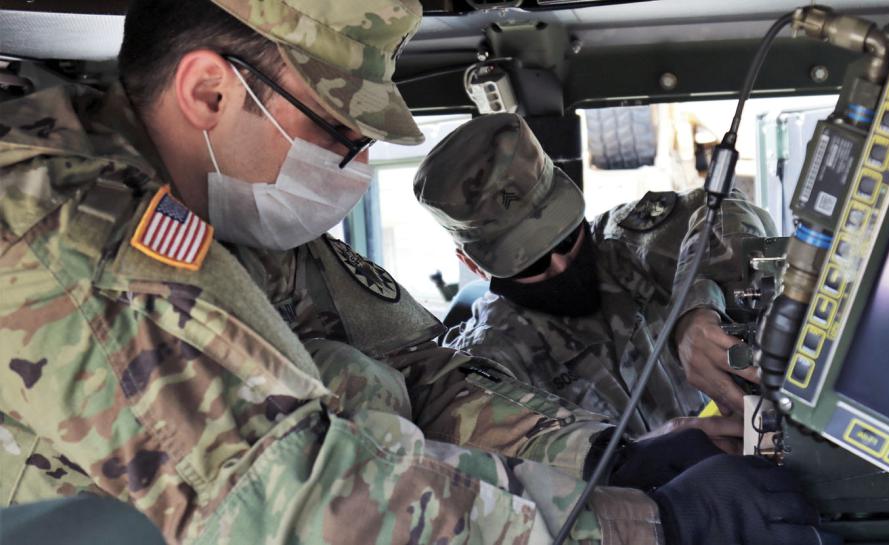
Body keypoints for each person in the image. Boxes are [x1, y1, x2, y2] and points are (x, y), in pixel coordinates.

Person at [0, 1, 826, 544]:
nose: (352, 167)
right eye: (336, 133)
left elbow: (416, 373)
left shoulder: (232, 210)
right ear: (210, 93)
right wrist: (658, 524)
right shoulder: (77, 242)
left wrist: (611, 456)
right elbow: (300, 508)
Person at [415, 113, 776, 443]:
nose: (561, 266)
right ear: (475, 266)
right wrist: (645, 456)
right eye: (529, 263)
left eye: (567, 238)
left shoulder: (623, 245)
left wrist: (695, 309)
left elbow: (724, 212)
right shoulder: (493, 362)